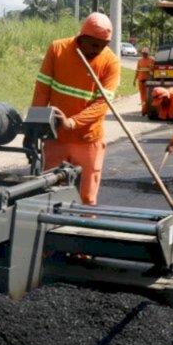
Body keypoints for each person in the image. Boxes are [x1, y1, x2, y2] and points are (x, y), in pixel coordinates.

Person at [31, 12, 121, 205]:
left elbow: (101, 104)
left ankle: (84, 230)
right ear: (81, 37)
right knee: (50, 194)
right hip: (56, 139)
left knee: (87, 197)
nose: (98, 50)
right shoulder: (58, 49)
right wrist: (33, 128)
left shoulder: (111, 62)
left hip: (88, 141)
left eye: (103, 45)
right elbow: (41, 91)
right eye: (94, 44)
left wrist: (72, 122)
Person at [134, 46, 153, 115]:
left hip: (148, 81)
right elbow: (137, 70)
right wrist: (134, 80)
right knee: (142, 96)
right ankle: (144, 109)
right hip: (141, 81)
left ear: (148, 53)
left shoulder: (152, 60)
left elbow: (154, 70)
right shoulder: (140, 60)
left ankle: (146, 109)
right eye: (143, 53)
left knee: (148, 96)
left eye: (145, 53)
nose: (144, 54)